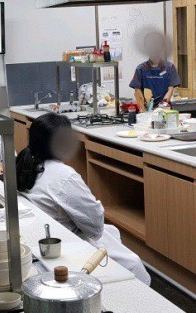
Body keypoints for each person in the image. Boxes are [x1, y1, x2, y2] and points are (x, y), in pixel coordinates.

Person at [16, 113, 151, 285]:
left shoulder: (26, 165)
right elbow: (95, 226)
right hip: (67, 244)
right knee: (133, 264)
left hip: (44, 238)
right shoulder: (64, 176)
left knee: (113, 235)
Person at [129, 31, 182, 111]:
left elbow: (170, 89)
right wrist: (143, 108)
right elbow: (137, 90)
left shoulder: (169, 67)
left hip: (165, 108)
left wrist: (162, 106)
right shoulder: (140, 69)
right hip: (146, 109)